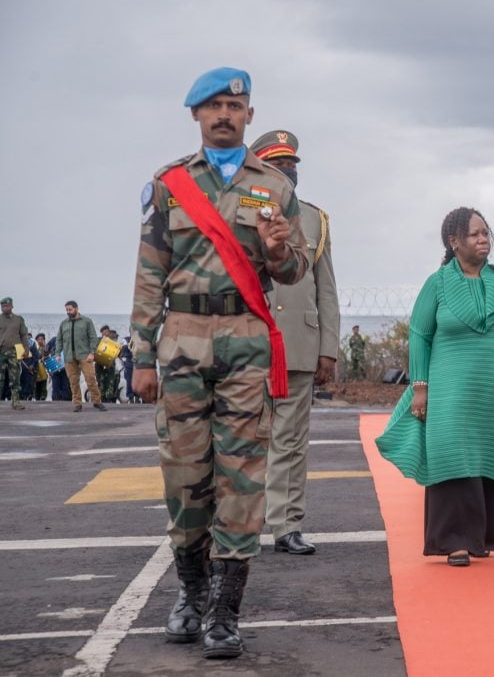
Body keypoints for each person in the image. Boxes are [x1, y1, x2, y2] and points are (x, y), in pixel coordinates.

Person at [129, 67, 308, 659]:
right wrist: (140, 353)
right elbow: (150, 270)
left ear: (250, 115)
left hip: (245, 341)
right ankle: (191, 593)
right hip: (180, 340)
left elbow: (293, 270)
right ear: (196, 116)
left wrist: (280, 250)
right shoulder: (170, 183)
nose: (224, 114)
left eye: (234, 104)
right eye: (213, 106)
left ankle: (226, 613)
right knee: (184, 475)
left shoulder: (275, 187)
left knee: (242, 475)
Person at [375, 206, 494, 567]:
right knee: (453, 456)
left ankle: (485, 536)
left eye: (486, 233)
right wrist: (420, 386)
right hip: (452, 391)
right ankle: (454, 541)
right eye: (475, 234)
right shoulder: (437, 283)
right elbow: (420, 336)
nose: (484, 239)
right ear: (454, 242)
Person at [252, 129, 341, 556]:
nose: (288, 171)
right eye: (278, 165)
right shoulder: (239, 211)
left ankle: (286, 524)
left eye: (291, 166)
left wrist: (329, 348)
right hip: (247, 346)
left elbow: (326, 289)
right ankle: (238, 525)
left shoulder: (313, 219)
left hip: (300, 348)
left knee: (290, 441)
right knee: (243, 440)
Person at [55, 300, 105, 412]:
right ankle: (77, 403)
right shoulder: (64, 323)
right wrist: (57, 353)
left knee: (90, 378)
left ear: (76, 308)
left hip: (84, 355)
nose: (68, 312)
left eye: (70, 309)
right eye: (67, 310)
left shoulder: (86, 321)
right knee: (73, 381)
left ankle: (97, 402)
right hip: (69, 356)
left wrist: (92, 353)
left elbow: (93, 338)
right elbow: (59, 339)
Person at [0, 297, 32, 410]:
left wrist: (26, 350)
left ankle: (16, 402)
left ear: (12, 306)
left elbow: (24, 335)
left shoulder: (19, 319)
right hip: (1, 352)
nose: (5, 308)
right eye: (3, 306)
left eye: (7, 306)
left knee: (15, 378)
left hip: (14, 352)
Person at [34, 333, 49, 400]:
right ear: (36, 340)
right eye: (39, 339)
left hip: (44, 370)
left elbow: (49, 358)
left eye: (42, 339)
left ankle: (43, 396)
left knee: (43, 385)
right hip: (37, 371)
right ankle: (37, 396)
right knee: (37, 386)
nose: (40, 341)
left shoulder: (46, 349)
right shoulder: (35, 349)